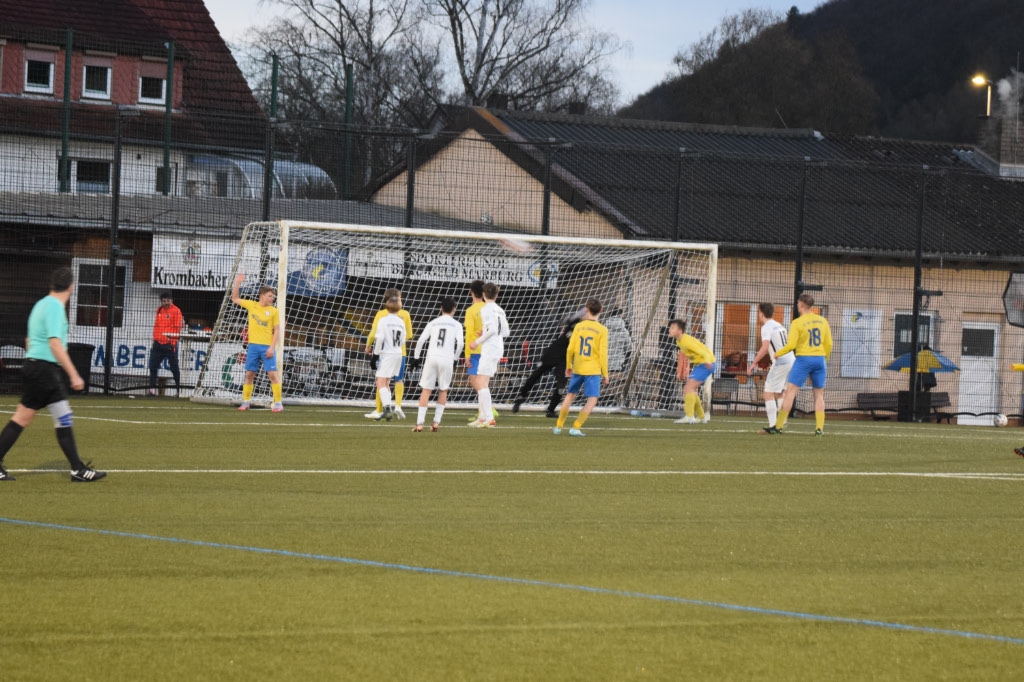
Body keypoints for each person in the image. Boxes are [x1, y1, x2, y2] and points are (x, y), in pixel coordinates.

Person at [0, 267, 105, 482]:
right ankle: (77, 469)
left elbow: (29, 340)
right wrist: (74, 374)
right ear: (71, 287)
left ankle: (77, 468)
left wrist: (34, 363)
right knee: (61, 417)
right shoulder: (56, 308)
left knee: (26, 418)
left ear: (52, 284)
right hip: (45, 370)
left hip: (33, 366)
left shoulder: (41, 304)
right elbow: (55, 343)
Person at [774, 293, 833, 436]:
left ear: (800, 305)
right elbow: (829, 344)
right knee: (819, 395)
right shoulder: (823, 321)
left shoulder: (797, 322)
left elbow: (791, 345)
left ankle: (778, 426)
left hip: (804, 359)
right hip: (820, 359)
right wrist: (824, 361)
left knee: (790, 392)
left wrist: (778, 353)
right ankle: (819, 429)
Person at [512, 309, 582, 417]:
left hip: (565, 359)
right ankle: (520, 397)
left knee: (561, 386)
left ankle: (551, 410)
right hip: (553, 352)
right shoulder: (575, 322)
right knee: (536, 374)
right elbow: (567, 319)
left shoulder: (587, 329)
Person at [554, 298, 608, 437]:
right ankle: (575, 427)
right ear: (601, 311)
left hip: (578, 368)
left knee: (570, 395)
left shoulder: (578, 326)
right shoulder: (602, 330)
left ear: (587, 310)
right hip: (593, 370)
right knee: (592, 399)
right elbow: (603, 354)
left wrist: (568, 365)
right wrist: (605, 374)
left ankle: (558, 426)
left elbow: (570, 348)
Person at [231, 273, 283, 412]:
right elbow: (234, 298)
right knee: (249, 374)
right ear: (262, 296)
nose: (272, 298)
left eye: (273, 296)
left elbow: (277, 331)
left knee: (272, 375)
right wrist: (238, 283)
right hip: (253, 346)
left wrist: (272, 348)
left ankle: (278, 403)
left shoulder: (273, 311)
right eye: (270, 296)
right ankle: (246, 402)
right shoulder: (252, 305)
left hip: (267, 347)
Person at [411, 296, 464, 432]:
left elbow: (420, 340)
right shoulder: (457, 325)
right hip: (447, 359)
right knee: (443, 389)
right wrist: (455, 358)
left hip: (432, 357)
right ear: (454, 309)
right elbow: (460, 344)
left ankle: (419, 424)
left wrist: (416, 357)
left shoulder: (433, 322)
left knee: (426, 390)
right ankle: (436, 422)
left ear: (441, 308)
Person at [365, 288, 413, 420]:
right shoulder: (402, 318)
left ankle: (384, 409)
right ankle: (395, 407)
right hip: (399, 352)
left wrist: (374, 354)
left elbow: (377, 336)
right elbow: (406, 337)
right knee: (390, 381)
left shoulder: (382, 317)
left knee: (380, 381)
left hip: (387, 353)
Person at [746, 303, 795, 434]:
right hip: (791, 360)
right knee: (779, 393)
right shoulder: (779, 325)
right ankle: (782, 423)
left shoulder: (766, 327)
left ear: (761, 313)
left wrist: (753, 363)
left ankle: (774, 426)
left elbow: (765, 347)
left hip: (781, 362)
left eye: (758, 312)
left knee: (767, 393)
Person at [468, 282, 510, 428]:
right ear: (496, 295)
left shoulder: (486, 309)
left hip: (490, 348)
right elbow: (506, 332)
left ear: (484, 294)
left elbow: (492, 329)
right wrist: (486, 332)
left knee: (481, 382)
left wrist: (477, 341)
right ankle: (483, 417)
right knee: (482, 381)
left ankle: (489, 418)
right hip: (498, 347)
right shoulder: (500, 310)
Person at [667, 319, 716, 424]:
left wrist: (708, 361)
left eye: (672, 328)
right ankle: (701, 417)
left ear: (680, 330)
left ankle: (689, 416)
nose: (669, 330)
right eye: (670, 327)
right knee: (690, 389)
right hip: (701, 365)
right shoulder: (679, 341)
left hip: (706, 364)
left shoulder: (686, 341)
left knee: (688, 388)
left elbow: (703, 352)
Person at [463, 279, 497, 423]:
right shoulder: (489, 308)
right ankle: (482, 412)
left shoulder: (471, 311)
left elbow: (469, 333)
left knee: (474, 380)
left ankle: (488, 409)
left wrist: (466, 354)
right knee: (482, 382)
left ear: (471, 292)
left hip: (475, 349)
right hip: (488, 349)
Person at [148, 291, 184, 396]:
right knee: (153, 367)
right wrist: (155, 338)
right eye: (164, 301)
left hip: (169, 344)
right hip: (158, 343)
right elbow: (156, 326)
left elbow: (177, 328)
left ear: (171, 301)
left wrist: (173, 342)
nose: (166, 303)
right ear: (161, 302)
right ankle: (152, 390)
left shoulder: (176, 311)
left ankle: (179, 391)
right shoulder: (159, 310)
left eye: (168, 300)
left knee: (174, 368)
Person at [604, 308, 633, 373]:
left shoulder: (603, 329)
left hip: (604, 365)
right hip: (619, 365)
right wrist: (625, 362)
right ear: (619, 315)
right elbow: (629, 349)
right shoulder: (625, 330)